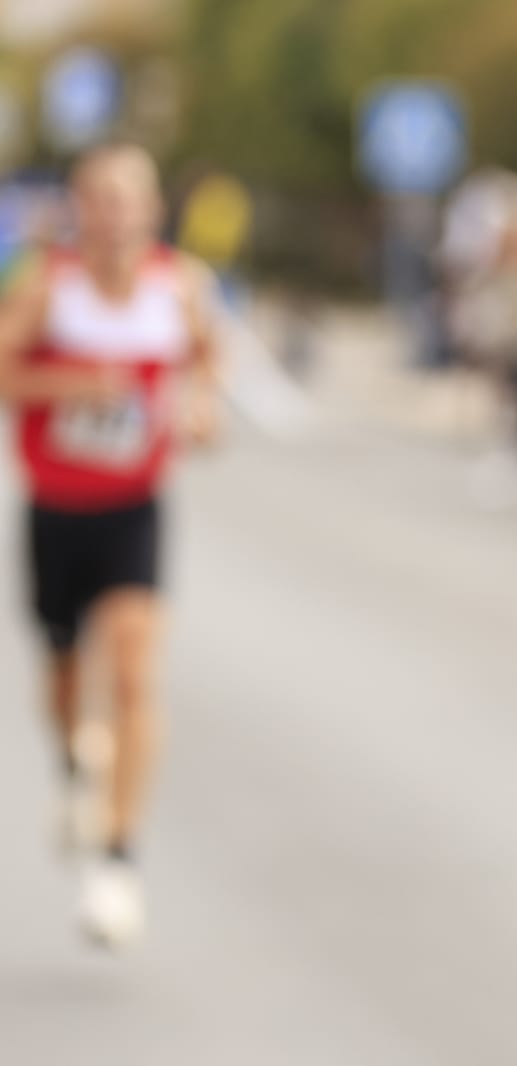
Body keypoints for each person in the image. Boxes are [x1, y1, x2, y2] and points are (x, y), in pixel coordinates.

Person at [0, 141, 220, 948]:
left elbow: (207, 364)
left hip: (134, 507)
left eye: (128, 200)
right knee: (63, 678)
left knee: (132, 674)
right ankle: (70, 769)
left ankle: (118, 861)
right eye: (98, 200)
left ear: (152, 211)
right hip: (56, 509)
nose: (114, 215)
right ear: (78, 211)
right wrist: (73, 385)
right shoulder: (45, 288)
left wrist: (202, 410)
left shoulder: (181, 286)